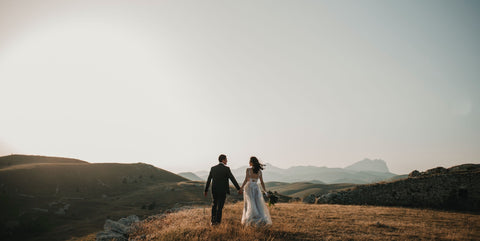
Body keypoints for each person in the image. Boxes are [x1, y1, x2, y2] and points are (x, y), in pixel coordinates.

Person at [204, 154, 242, 225]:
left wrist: (206, 190)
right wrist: (238, 189)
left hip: (214, 190)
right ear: (223, 160)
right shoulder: (226, 169)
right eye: (226, 159)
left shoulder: (213, 168)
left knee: (214, 204)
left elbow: (209, 180)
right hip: (223, 190)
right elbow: (232, 179)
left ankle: (213, 221)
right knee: (220, 206)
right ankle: (218, 222)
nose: (227, 161)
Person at [239, 156, 272, 226]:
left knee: (250, 203)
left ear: (251, 162)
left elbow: (246, 180)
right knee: (257, 203)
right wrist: (265, 192)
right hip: (256, 188)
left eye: (249, 161)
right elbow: (262, 182)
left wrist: (241, 188)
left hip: (249, 188)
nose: (249, 163)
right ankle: (258, 219)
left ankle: (250, 219)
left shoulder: (248, 170)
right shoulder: (259, 172)